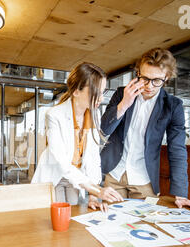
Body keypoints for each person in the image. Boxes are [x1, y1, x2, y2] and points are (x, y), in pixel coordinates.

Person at [100, 48, 190, 213]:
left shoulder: (173, 106)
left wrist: (180, 193)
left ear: (167, 77)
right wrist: (124, 103)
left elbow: (177, 149)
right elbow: (104, 129)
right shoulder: (122, 94)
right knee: (109, 225)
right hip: (114, 174)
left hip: (144, 179)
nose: (149, 86)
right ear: (138, 73)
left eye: (156, 80)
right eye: (145, 79)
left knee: (144, 228)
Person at [32, 62, 123, 212]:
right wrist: (97, 191)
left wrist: (93, 195)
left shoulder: (94, 115)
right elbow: (63, 163)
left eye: (102, 92)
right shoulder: (54, 115)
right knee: (56, 216)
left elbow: (93, 158)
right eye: (95, 92)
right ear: (76, 91)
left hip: (76, 178)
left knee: (75, 215)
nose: (100, 98)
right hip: (54, 175)